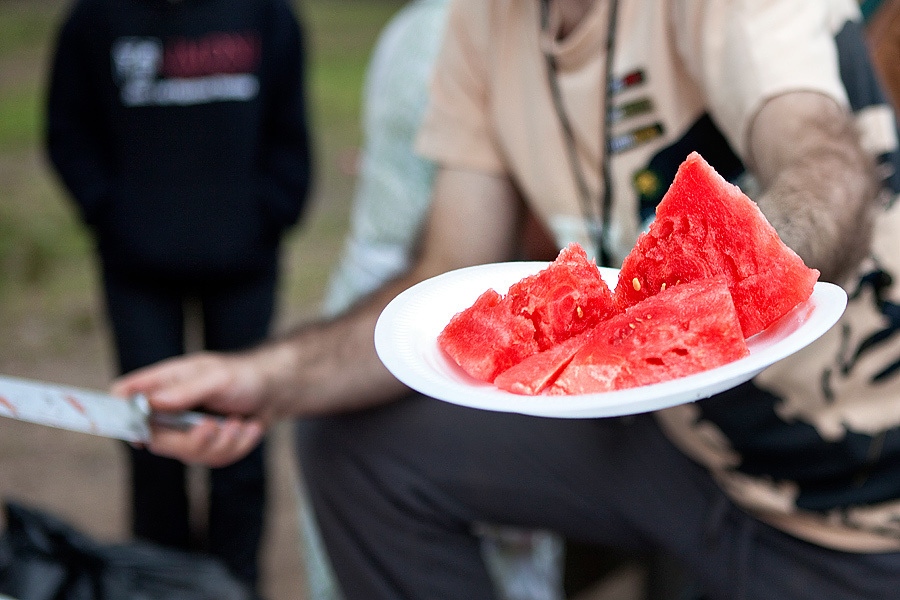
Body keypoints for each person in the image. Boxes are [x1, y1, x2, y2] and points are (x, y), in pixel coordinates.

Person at [113, 0, 900, 598]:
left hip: (863, 509)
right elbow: (449, 267)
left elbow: (822, 154)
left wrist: (736, 279)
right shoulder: (484, 25)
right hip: (681, 457)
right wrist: (265, 378)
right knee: (354, 448)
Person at [44, 0, 312, 592]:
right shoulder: (94, 20)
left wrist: (270, 212)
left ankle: (234, 583)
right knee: (151, 436)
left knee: (240, 438)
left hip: (244, 262)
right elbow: (66, 129)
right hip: (138, 268)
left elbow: (290, 129)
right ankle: (161, 581)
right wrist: (110, 214)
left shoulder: (267, 15)